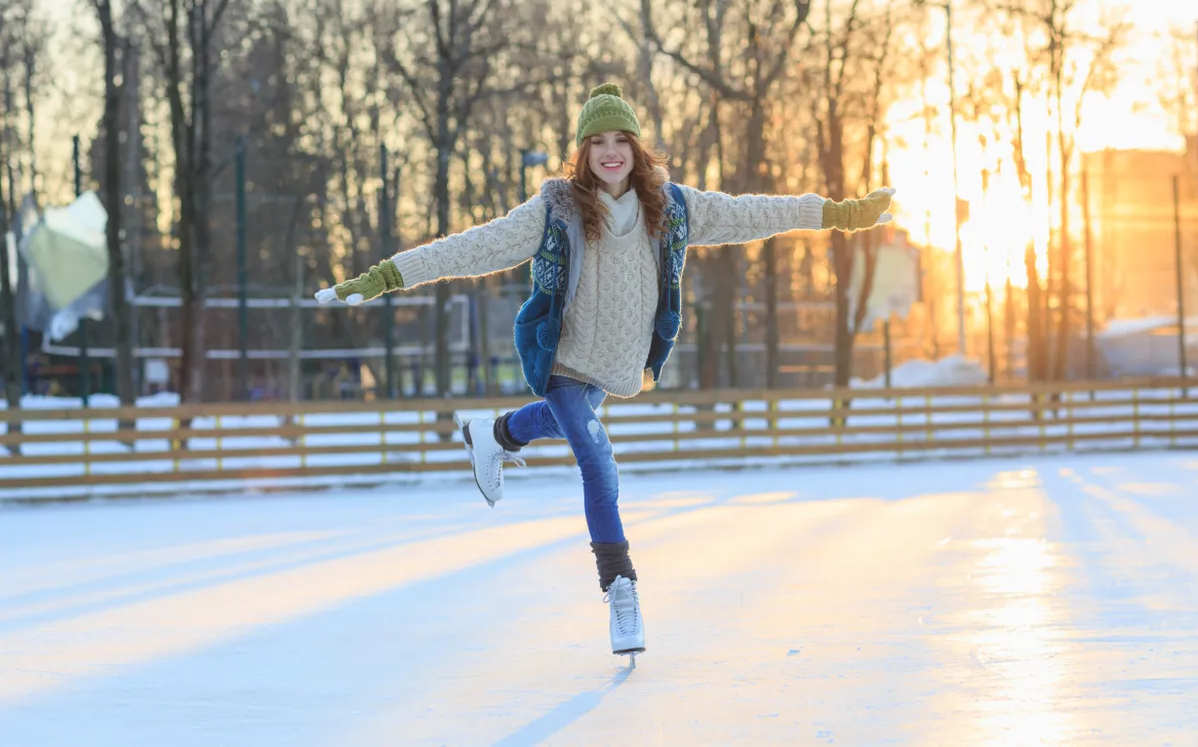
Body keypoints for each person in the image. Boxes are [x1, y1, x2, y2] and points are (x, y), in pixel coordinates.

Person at [315, 83, 896, 662]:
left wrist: (840, 214)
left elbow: (756, 212)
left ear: (637, 149)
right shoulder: (556, 211)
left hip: (615, 368)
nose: (611, 152)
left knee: (573, 425)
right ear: (583, 151)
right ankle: (621, 588)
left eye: (622, 139)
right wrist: (385, 276)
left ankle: (493, 434)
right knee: (597, 460)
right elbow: (471, 248)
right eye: (598, 142)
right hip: (564, 360)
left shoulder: (674, 209)